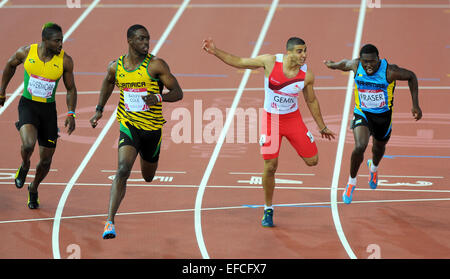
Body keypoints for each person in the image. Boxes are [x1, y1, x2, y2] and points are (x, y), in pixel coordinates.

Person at [202, 37, 335, 227]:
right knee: (271, 165)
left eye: (305, 51)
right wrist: (216, 51)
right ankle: (268, 209)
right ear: (288, 52)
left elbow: (311, 101)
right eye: (299, 51)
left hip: (292, 119)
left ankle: (269, 204)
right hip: (271, 120)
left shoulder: (307, 75)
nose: (304, 55)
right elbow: (240, 62)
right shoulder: (270, 62)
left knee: (313, 161)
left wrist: (321, 126)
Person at [90, 24, 183, 239]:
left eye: (147, 39)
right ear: (130, 41)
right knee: (122, 169)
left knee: (148, 176)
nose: (145, 43)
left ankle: (146, 157)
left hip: (152, 130)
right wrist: (99, 110)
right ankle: (110, 222)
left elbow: (178, 92)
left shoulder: (156, 66)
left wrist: (158, 97)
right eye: (141, 39)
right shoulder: (116, 67)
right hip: (129, 126)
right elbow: (107, 82)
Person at [324, 44, 422, 204]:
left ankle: (374, 168)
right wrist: (333, 65)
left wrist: (415, 104)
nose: (369, 65)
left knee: (378, 149)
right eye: (365, 62)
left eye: (372, 61)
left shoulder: (390, 71)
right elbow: (344, 64)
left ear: (378, 59)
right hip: (362, 113)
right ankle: (351, 182)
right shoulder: (356, 65)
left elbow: (411, 76)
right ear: (360, 60)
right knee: (359, 146)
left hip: (383, 118)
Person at [0, 22, 77, 209]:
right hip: (28, 106)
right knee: (28, 144)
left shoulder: (65, 60)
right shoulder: (27, 52)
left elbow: (71, 89)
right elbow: (10, 66)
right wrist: (2, 91)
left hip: (48, 112)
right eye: (57, 41)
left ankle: (33, 188)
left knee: (46, 160)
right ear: (44, 40)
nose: (61, 44)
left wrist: (71, 113)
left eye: (62, 40)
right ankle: (25, 165)